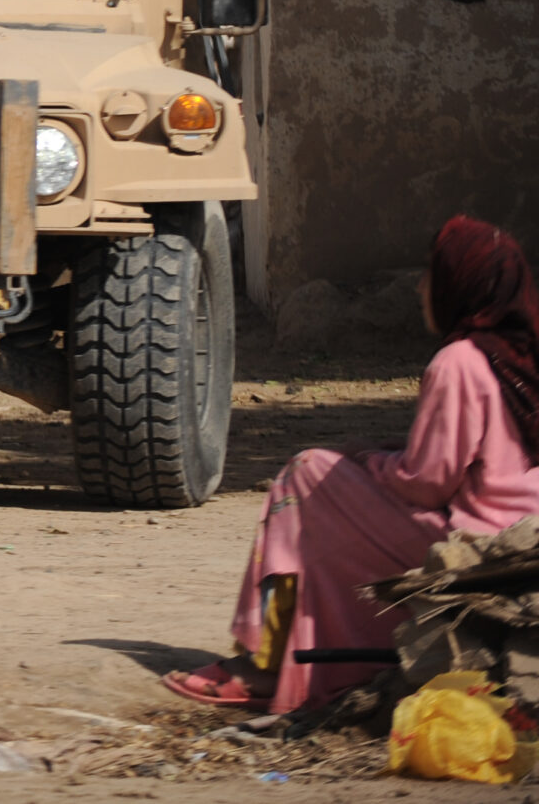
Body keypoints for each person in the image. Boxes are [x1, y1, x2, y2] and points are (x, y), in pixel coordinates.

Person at [165, 216, 539, 711]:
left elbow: (426, 483)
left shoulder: (460, 363)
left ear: (461, 285)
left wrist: (367, 459)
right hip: (523, 537)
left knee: (301, 480)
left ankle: (265, 661)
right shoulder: (522, 358)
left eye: (432, 275)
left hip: (477, 543)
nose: (422, 289)